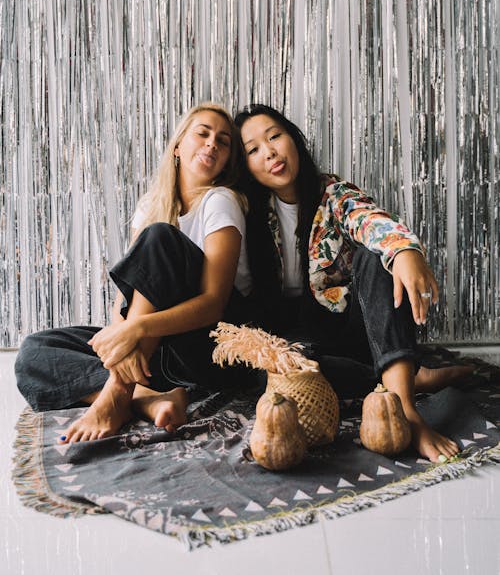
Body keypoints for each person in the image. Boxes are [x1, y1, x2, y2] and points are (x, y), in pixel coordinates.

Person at [234, 104, 472, 462]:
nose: (269, 152)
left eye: (275, 136)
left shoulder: (332, 192)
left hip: (352, 325)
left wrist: (403, 250)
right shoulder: (247, 211)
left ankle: (405, 411)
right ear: (246, 166)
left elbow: (370, 220)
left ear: (293, 139)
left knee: (375, 259)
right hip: (306, 342)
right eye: (253, 150)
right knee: (287, 369)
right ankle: (407, 375)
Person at [15, 103, 253, 443]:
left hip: (208, 347)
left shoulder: (220, 201)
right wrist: (120, 336)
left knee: (160, 237)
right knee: (34, 352)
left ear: (228, 161)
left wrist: (135, 328)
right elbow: (126, 298)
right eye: (202, 133)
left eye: (223, 141)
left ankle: (118, 393)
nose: (212, 143)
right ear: (177, 145)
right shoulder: (150, 207)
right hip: (159, 354)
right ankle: (148, 399)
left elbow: (214, 304)